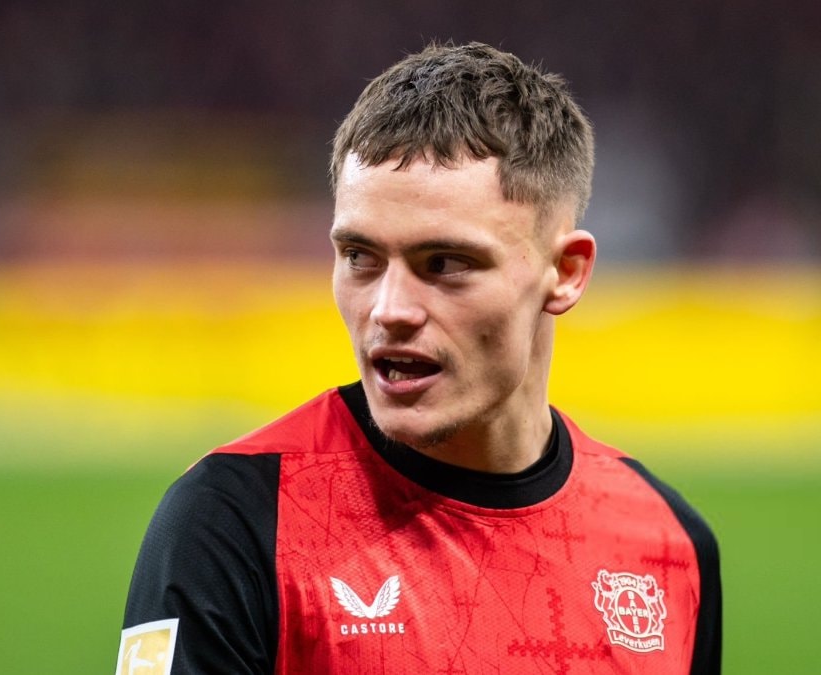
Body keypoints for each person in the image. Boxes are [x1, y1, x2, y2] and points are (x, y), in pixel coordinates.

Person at [116, 41, 721, 675]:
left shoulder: (669, 544)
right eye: (360, 257)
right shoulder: (233, 522)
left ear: (565, 272)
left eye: (446, 263)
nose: (389, 309)